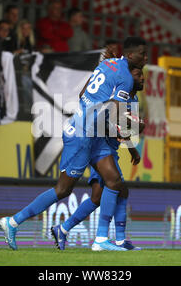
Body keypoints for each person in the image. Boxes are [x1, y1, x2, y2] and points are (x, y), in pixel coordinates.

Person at [0, 36, 148, 251]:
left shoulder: (107, 63)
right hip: (81, 135)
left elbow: (82, 94)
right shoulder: (124, 78)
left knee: (114, 182)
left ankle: (101, 241)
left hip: (92, 134)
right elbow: (116, 111)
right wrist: (134, 124)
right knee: (63, 190)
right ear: (132, 55)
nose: (146, 58)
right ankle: (13, 222)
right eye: (143, 54)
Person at [51, 59, 144, 251]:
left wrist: (133, 139)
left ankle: (66, 229)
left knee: (100, 196)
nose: (142, 78)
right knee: (116, 189)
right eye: (138, 75)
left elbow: (125, 131)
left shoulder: (133, 100)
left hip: (110, 151)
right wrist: (126, 127)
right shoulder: (117, 93)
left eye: (142, 75)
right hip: (99, 148)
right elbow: (106, 124)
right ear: (128, 76)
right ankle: (105, 239)